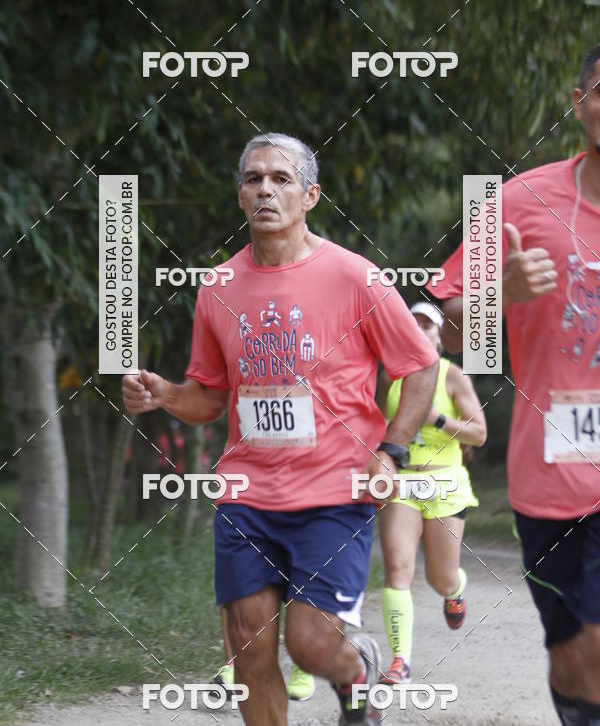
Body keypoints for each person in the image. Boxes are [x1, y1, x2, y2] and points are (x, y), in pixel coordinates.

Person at [122, 132, 439, 726]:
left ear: (311, 195)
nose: (265, 188)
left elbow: (419, 366)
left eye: (281, 178)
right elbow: (211, 399)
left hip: (333, 496)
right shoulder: (218, 287)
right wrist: (164, 394)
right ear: (240, 196)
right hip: (247, 495)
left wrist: (391, 452)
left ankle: (358, 669)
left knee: (312, 646)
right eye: (253, 179)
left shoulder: (355, 277)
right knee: (249, 649)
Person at [429, 45, 600, 726]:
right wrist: (498, 295)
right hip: (549, 477)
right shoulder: (520, 201)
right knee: (571, 651)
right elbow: (439, 327)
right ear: (579, 101)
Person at [376, 302, 486, 684]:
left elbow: (479, 433)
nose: (420, 329)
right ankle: (399, 661)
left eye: (428, 324)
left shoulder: (452, 376)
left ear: (440, 336)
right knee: (398, 568)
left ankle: (454, 591)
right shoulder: (395, 379)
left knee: (440, 578)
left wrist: (437, 418)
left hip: (445, 482)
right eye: (414, 323)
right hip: (403, 482)